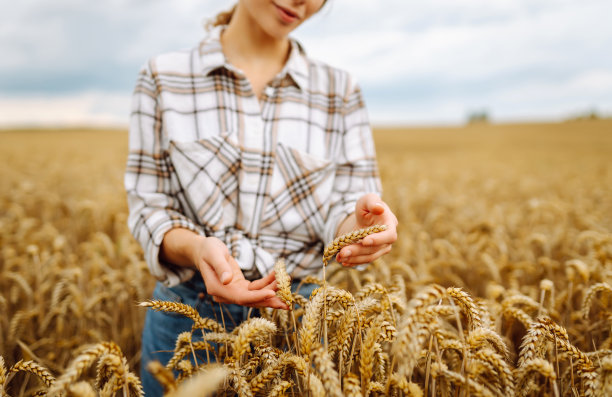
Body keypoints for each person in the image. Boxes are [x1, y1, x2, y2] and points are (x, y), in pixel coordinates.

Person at [125, 0, 398, 394]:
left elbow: (345, 208)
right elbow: (151, 208)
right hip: (187, 318)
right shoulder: (163, 77)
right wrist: (199, 249)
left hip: (297, 321)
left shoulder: (339, 92)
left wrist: (360, 227)